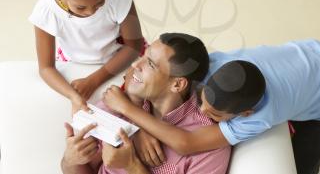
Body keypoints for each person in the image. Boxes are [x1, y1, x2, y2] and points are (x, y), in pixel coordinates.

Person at [106, 39, 320, 174]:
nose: (201, 112)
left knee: (304, 166)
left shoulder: (258, 117)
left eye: (214, 114)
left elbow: (186, 143)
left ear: (244, 114)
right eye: (202, 101)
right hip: (310, 52)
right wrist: (139, 128)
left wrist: (130, 113)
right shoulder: (211, 67)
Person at [61, 33, 231, 174]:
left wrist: (131, 166)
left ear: (177, 84)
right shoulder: (118, 104)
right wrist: (72, 160)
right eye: (144, 55)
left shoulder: (208, 147)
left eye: (150, 64)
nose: (135, 64)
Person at [28, 0, 144, 113]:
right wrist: (73, 96)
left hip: (120, 56)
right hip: (73, 61)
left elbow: (133, 46)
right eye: (81, 7)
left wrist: (93, 81)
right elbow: (46, 68)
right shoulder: (46, 10)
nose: (91, 12)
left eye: (99, 3)